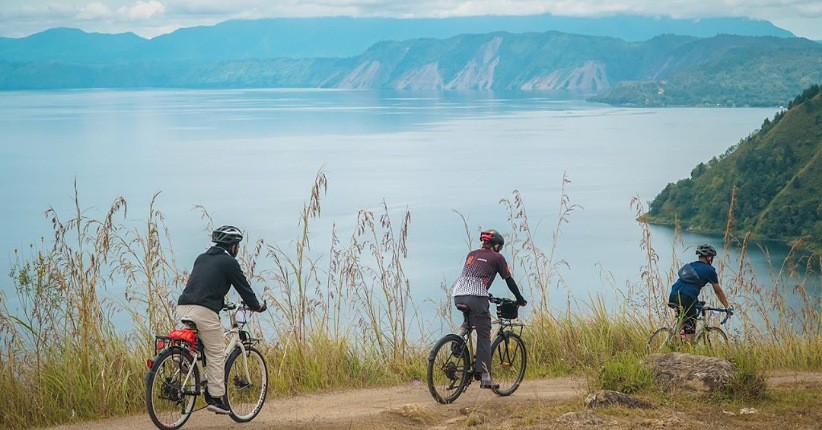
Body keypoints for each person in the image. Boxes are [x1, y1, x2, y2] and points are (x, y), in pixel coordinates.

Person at [177, 225, 267, 414]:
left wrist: (220, 303)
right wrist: (256, 306)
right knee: (216, 352)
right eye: (238, 246)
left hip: (183, 307)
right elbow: (244, 288)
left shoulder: (201, 258)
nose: (238, 249)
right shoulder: (229, 263)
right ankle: (215, 398)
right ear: (232, 246)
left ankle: (193, 372)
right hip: (204, 311)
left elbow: (205, 284)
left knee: (202, 347)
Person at [452, 229, 527, 389]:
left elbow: (474, 278)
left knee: (471, 320)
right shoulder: (497, 257)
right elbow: (509, 280)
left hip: (458, 294)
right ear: (497, 245)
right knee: (484, 332)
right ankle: (485, 377)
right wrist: (520, 299)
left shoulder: (471, 254)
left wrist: (488, 295)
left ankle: (458, 338)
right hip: (477, 296)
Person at [668, 243, 732, 343]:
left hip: (674, 294)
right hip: (687, 298)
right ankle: (689, 351)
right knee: (690, 327)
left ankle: (675, 342)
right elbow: (718, 291)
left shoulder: (691, 265)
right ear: (709, 257)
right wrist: (727, 306)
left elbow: (688, 286)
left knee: (683, 322)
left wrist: (696, 302)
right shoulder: (710, 270)